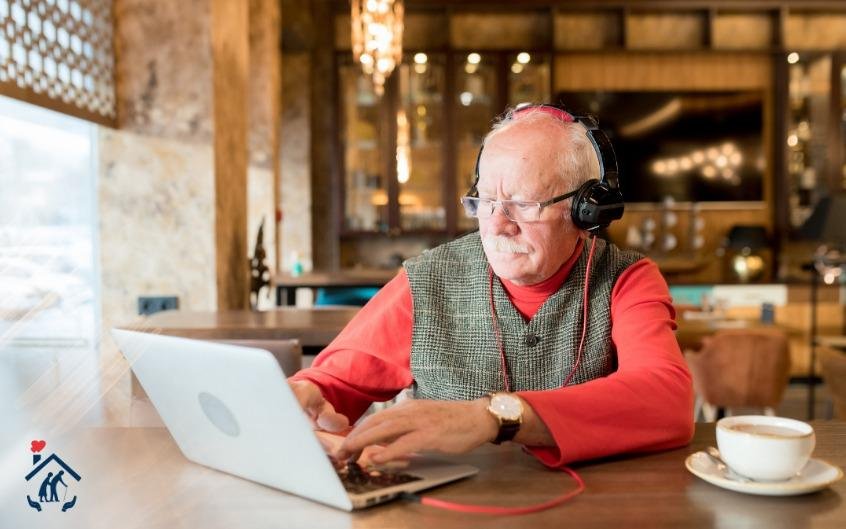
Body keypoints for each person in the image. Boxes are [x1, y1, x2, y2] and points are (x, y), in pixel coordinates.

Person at [290, 104, 694, 468]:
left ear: (585, 211)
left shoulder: (627, 278)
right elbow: (331, 386)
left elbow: (667, 402)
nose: (498, 224)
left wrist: (493, 417)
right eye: (485, 202)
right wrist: (306, 397)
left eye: (525, 203)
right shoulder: (427, 280)